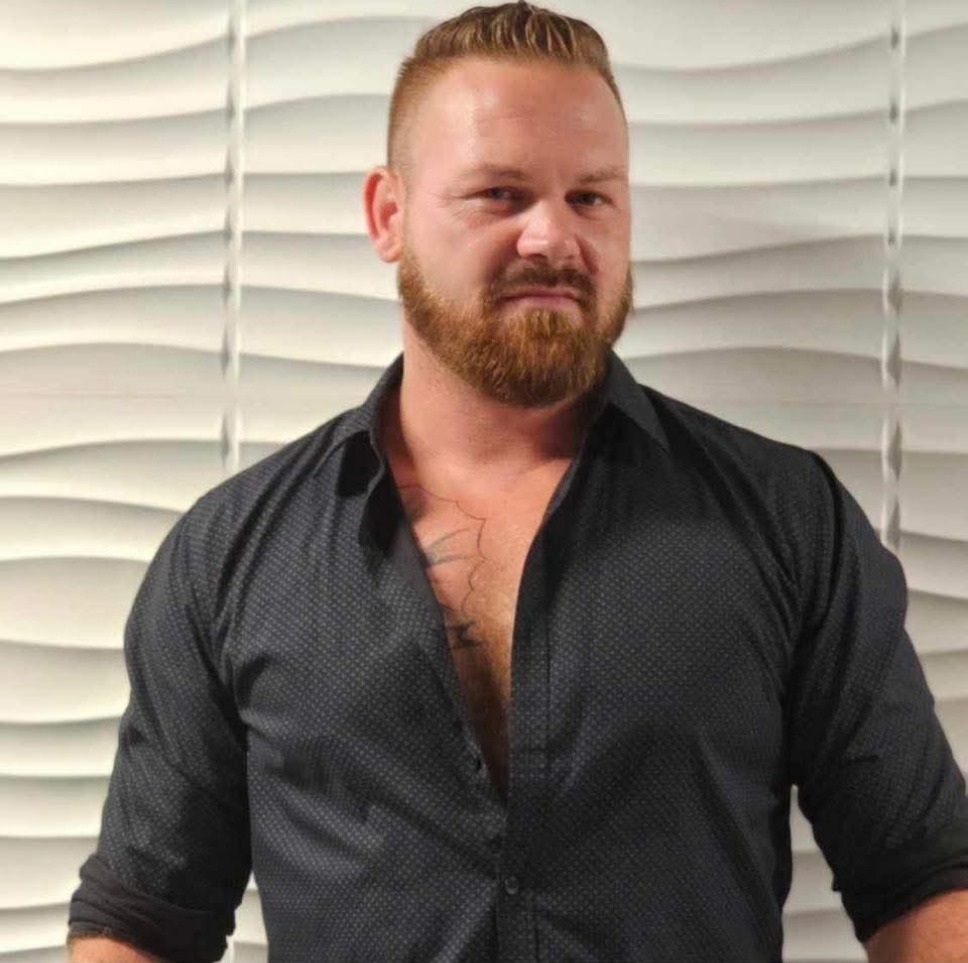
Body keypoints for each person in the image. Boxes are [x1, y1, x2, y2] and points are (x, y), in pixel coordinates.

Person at [66, 3, 968, 961]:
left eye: (591, 197)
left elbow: (921, 877)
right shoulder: (230, 554)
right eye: (500, 193)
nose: (552, 237)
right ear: (388, 215)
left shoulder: (787, 520)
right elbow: (144, 919)